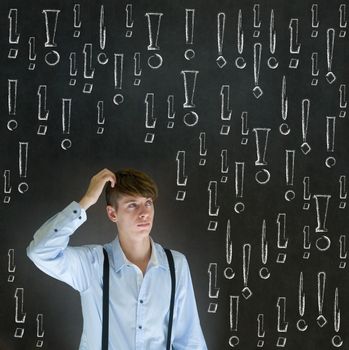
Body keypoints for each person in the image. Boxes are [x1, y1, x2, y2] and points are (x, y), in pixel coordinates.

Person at [27, 168, 207, 350]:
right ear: (113, 214)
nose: (144, 212)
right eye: (132, 205)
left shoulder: (176, 264)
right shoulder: (92, 264)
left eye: (148, 203)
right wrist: (86, 201)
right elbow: (40, 251)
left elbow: (190, 340)